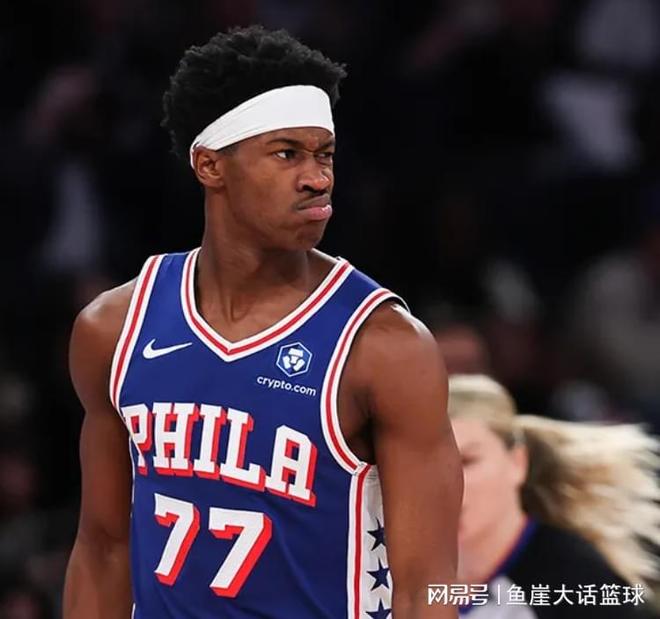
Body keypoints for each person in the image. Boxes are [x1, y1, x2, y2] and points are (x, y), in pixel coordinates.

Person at [62, 25, 463, 619]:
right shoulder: (114, 328)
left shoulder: (384, 346)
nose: (318, 178)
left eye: (324, 155)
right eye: (287, 153)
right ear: (210, 166)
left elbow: (428, 588)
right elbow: (102, 549)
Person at [447, 374, 660, 618]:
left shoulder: (583, 588)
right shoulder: (415, 581)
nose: (448, 485)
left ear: (517, 462)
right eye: (427, 471)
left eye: (468, 461)